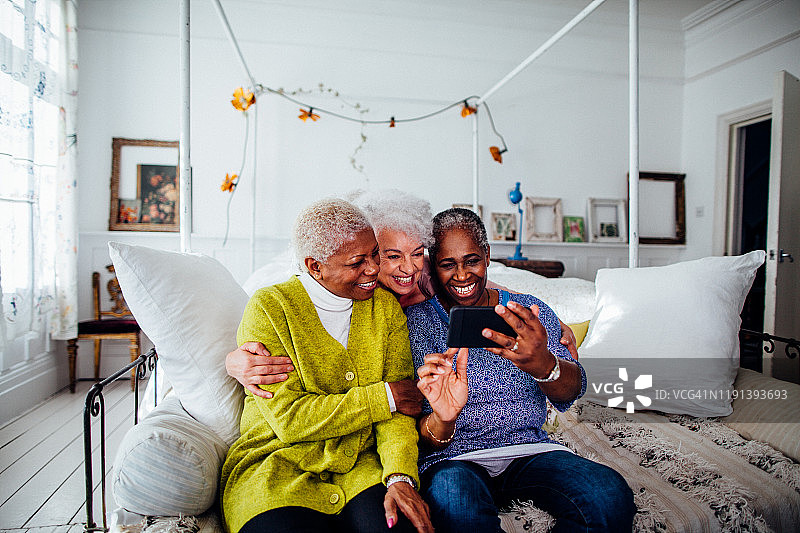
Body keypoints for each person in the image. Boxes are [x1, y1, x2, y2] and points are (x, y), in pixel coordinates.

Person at [409, 208, 636, 533]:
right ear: (433, 265)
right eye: (448, 264)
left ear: (487, 256)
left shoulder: (529, 311)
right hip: (453, 461)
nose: (461, 275)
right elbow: (412, 432)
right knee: (457, 505)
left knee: (609, 495)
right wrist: (443, 419)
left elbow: (572, 392)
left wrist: (544, 364)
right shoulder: (416, 322)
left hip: (528, 451)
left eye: (472, 260)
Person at [225, 190, 578, 399]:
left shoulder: (425, 277)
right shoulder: (345, 286)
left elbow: (481, 284)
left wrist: (551, 314)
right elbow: (295, 308)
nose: (407, 268)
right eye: (391, 256)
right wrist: (233, 361)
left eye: (417, 253)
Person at [220, 198, 432, 533]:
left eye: (375, 254)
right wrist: (384, 396)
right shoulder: (270, 308)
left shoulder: (385, 308)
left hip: (362, 467)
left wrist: (399, 476)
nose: (374, 269)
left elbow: (401, 413)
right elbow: (290, 419)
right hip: (277, 466)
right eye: (356, 262)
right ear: (315, 266)